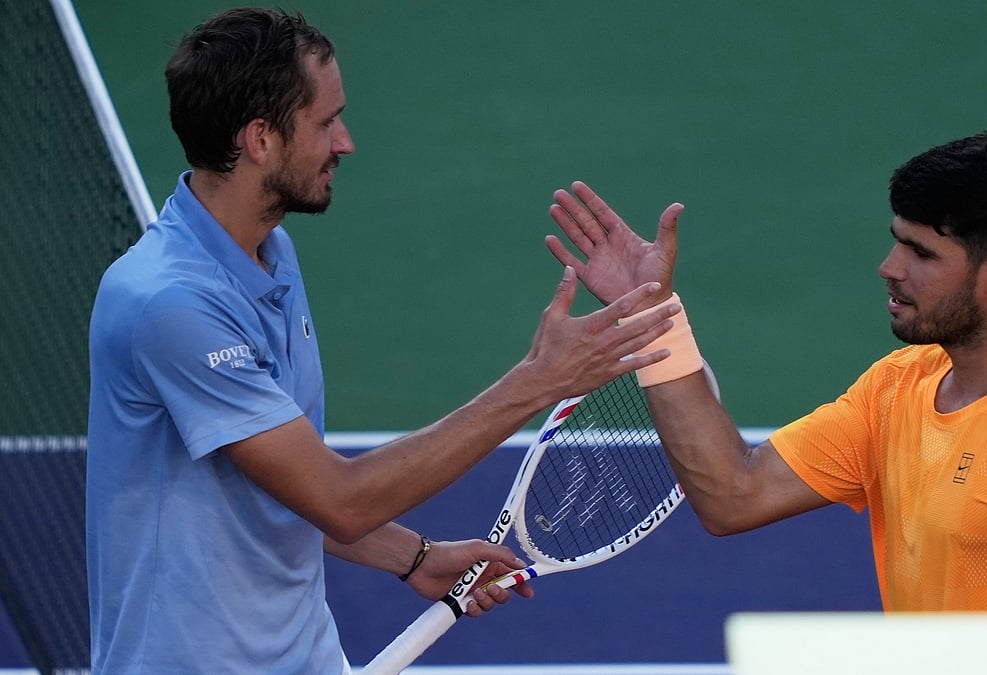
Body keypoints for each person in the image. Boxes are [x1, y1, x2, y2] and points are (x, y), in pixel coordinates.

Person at [86, 8, 679, 674]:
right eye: (324, 121)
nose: (346, 142)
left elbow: (279, 483)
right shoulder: (170, 303)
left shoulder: (268, 253)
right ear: (260, 139)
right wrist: (539, 379)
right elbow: (337, 497)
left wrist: (413, 557)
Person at [546, 131, 987, 610]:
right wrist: (656, 318)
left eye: (921, 253)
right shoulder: (898, 389)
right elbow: (734, 495)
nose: (889, 267)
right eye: (898, 241)